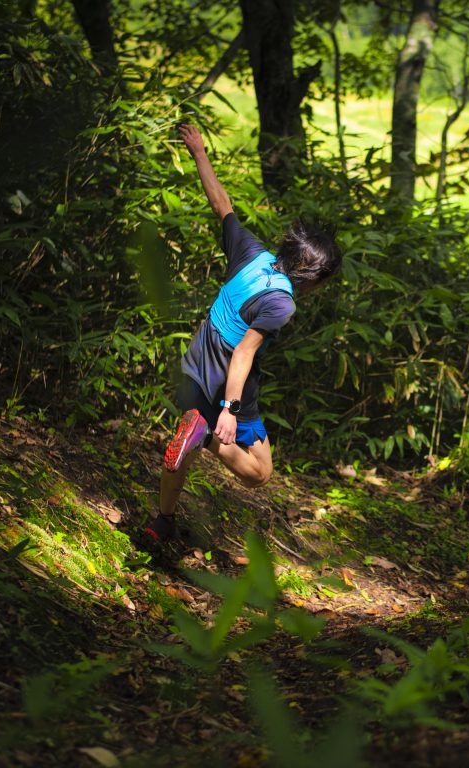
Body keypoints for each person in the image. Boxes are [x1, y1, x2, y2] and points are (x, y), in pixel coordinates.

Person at [143, 123, 342, 544]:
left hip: (194, 362)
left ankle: (162, 520)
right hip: (226, 378)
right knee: (259, 472)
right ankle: (206, 434)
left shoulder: (253, 253)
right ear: (314, 276)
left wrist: (199, 151)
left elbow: (222, 205)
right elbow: (243, 354)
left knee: (185, 439)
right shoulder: (281, 303)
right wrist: (230, 410)